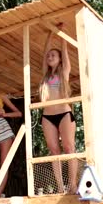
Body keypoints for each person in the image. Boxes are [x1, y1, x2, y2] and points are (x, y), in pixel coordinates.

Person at [38, 23, 77, 194]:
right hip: (48, 115)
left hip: (64, 113)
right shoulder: (45, 75)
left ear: (60, 59)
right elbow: (44, 53)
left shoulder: (64, 72)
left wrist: (60, 34)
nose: (50, 57)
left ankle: (73, 184)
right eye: (49, 55)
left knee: (69, 147)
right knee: (54, 151)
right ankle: (60, 186)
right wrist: (49, 35)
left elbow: (64, 51)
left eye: (54, 55)